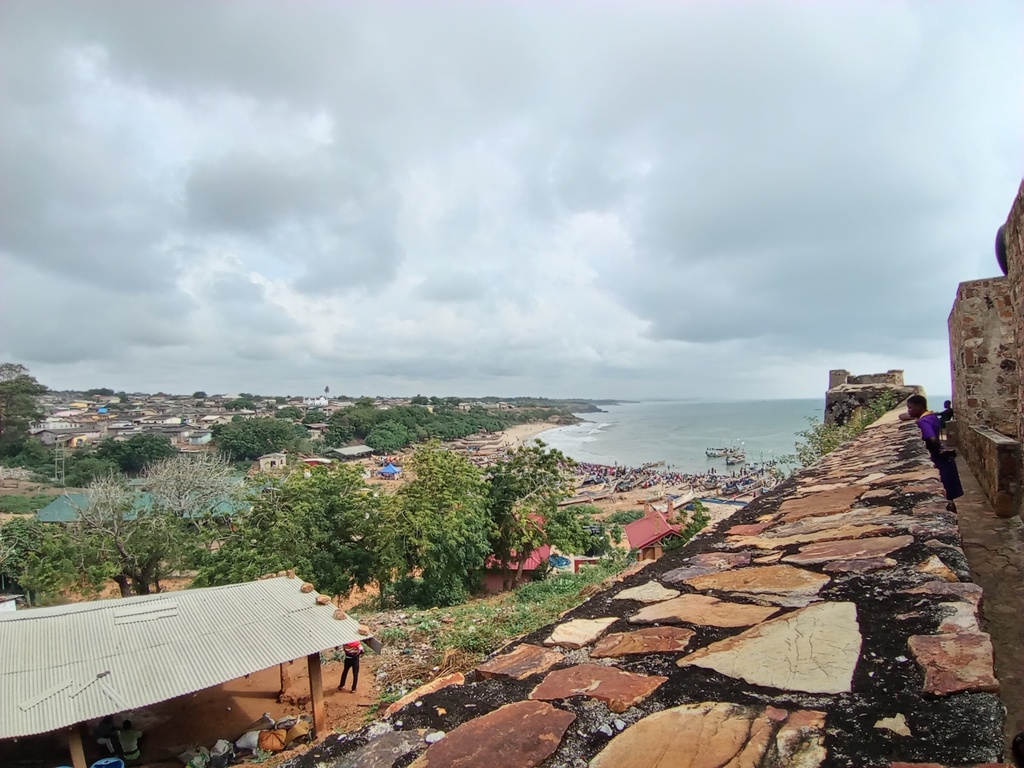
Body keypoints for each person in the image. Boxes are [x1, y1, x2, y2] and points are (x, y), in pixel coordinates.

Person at [903, 394, 963, 512]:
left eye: (910, 408)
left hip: (939, 460)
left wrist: (937, 449)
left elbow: (931, 438)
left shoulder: (923, 421)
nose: (908, 411)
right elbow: (902, 416)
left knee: (944, 495)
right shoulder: (931, 416)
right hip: (946, 460)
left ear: (919, 407)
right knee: (949, 495)